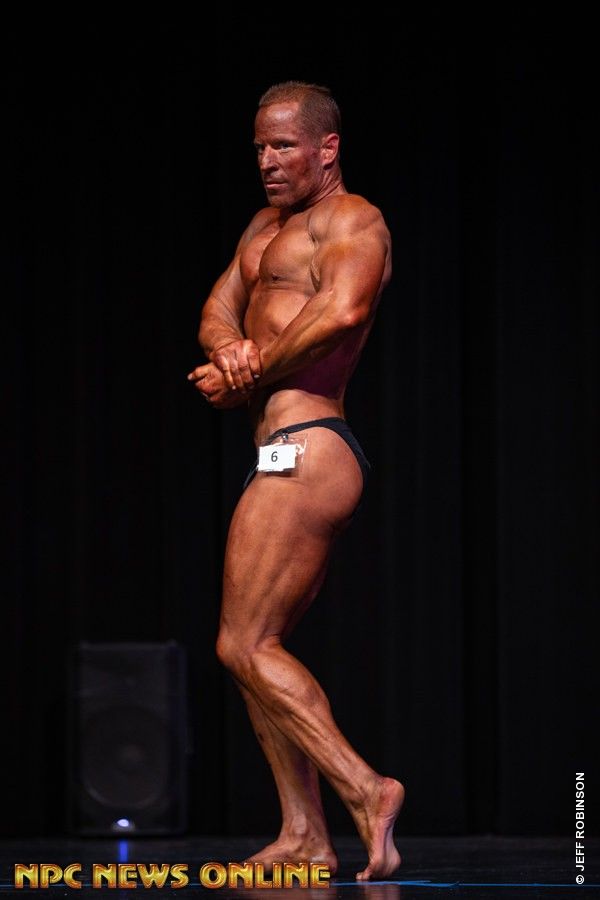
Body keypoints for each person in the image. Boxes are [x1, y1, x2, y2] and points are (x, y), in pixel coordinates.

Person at [187, 81, 404, 881]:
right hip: (277, 445)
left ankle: (366, 789)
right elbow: (218, 307)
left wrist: (249, 372)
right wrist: (228, 350)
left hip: (311, 443)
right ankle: (305, 834)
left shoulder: (353, 220)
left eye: (282, 146)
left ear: (327, 148)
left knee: (241, 643)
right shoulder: (261, 229)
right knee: (257, 650)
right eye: (259, 148)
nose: (267, 161)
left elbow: (342, 312)